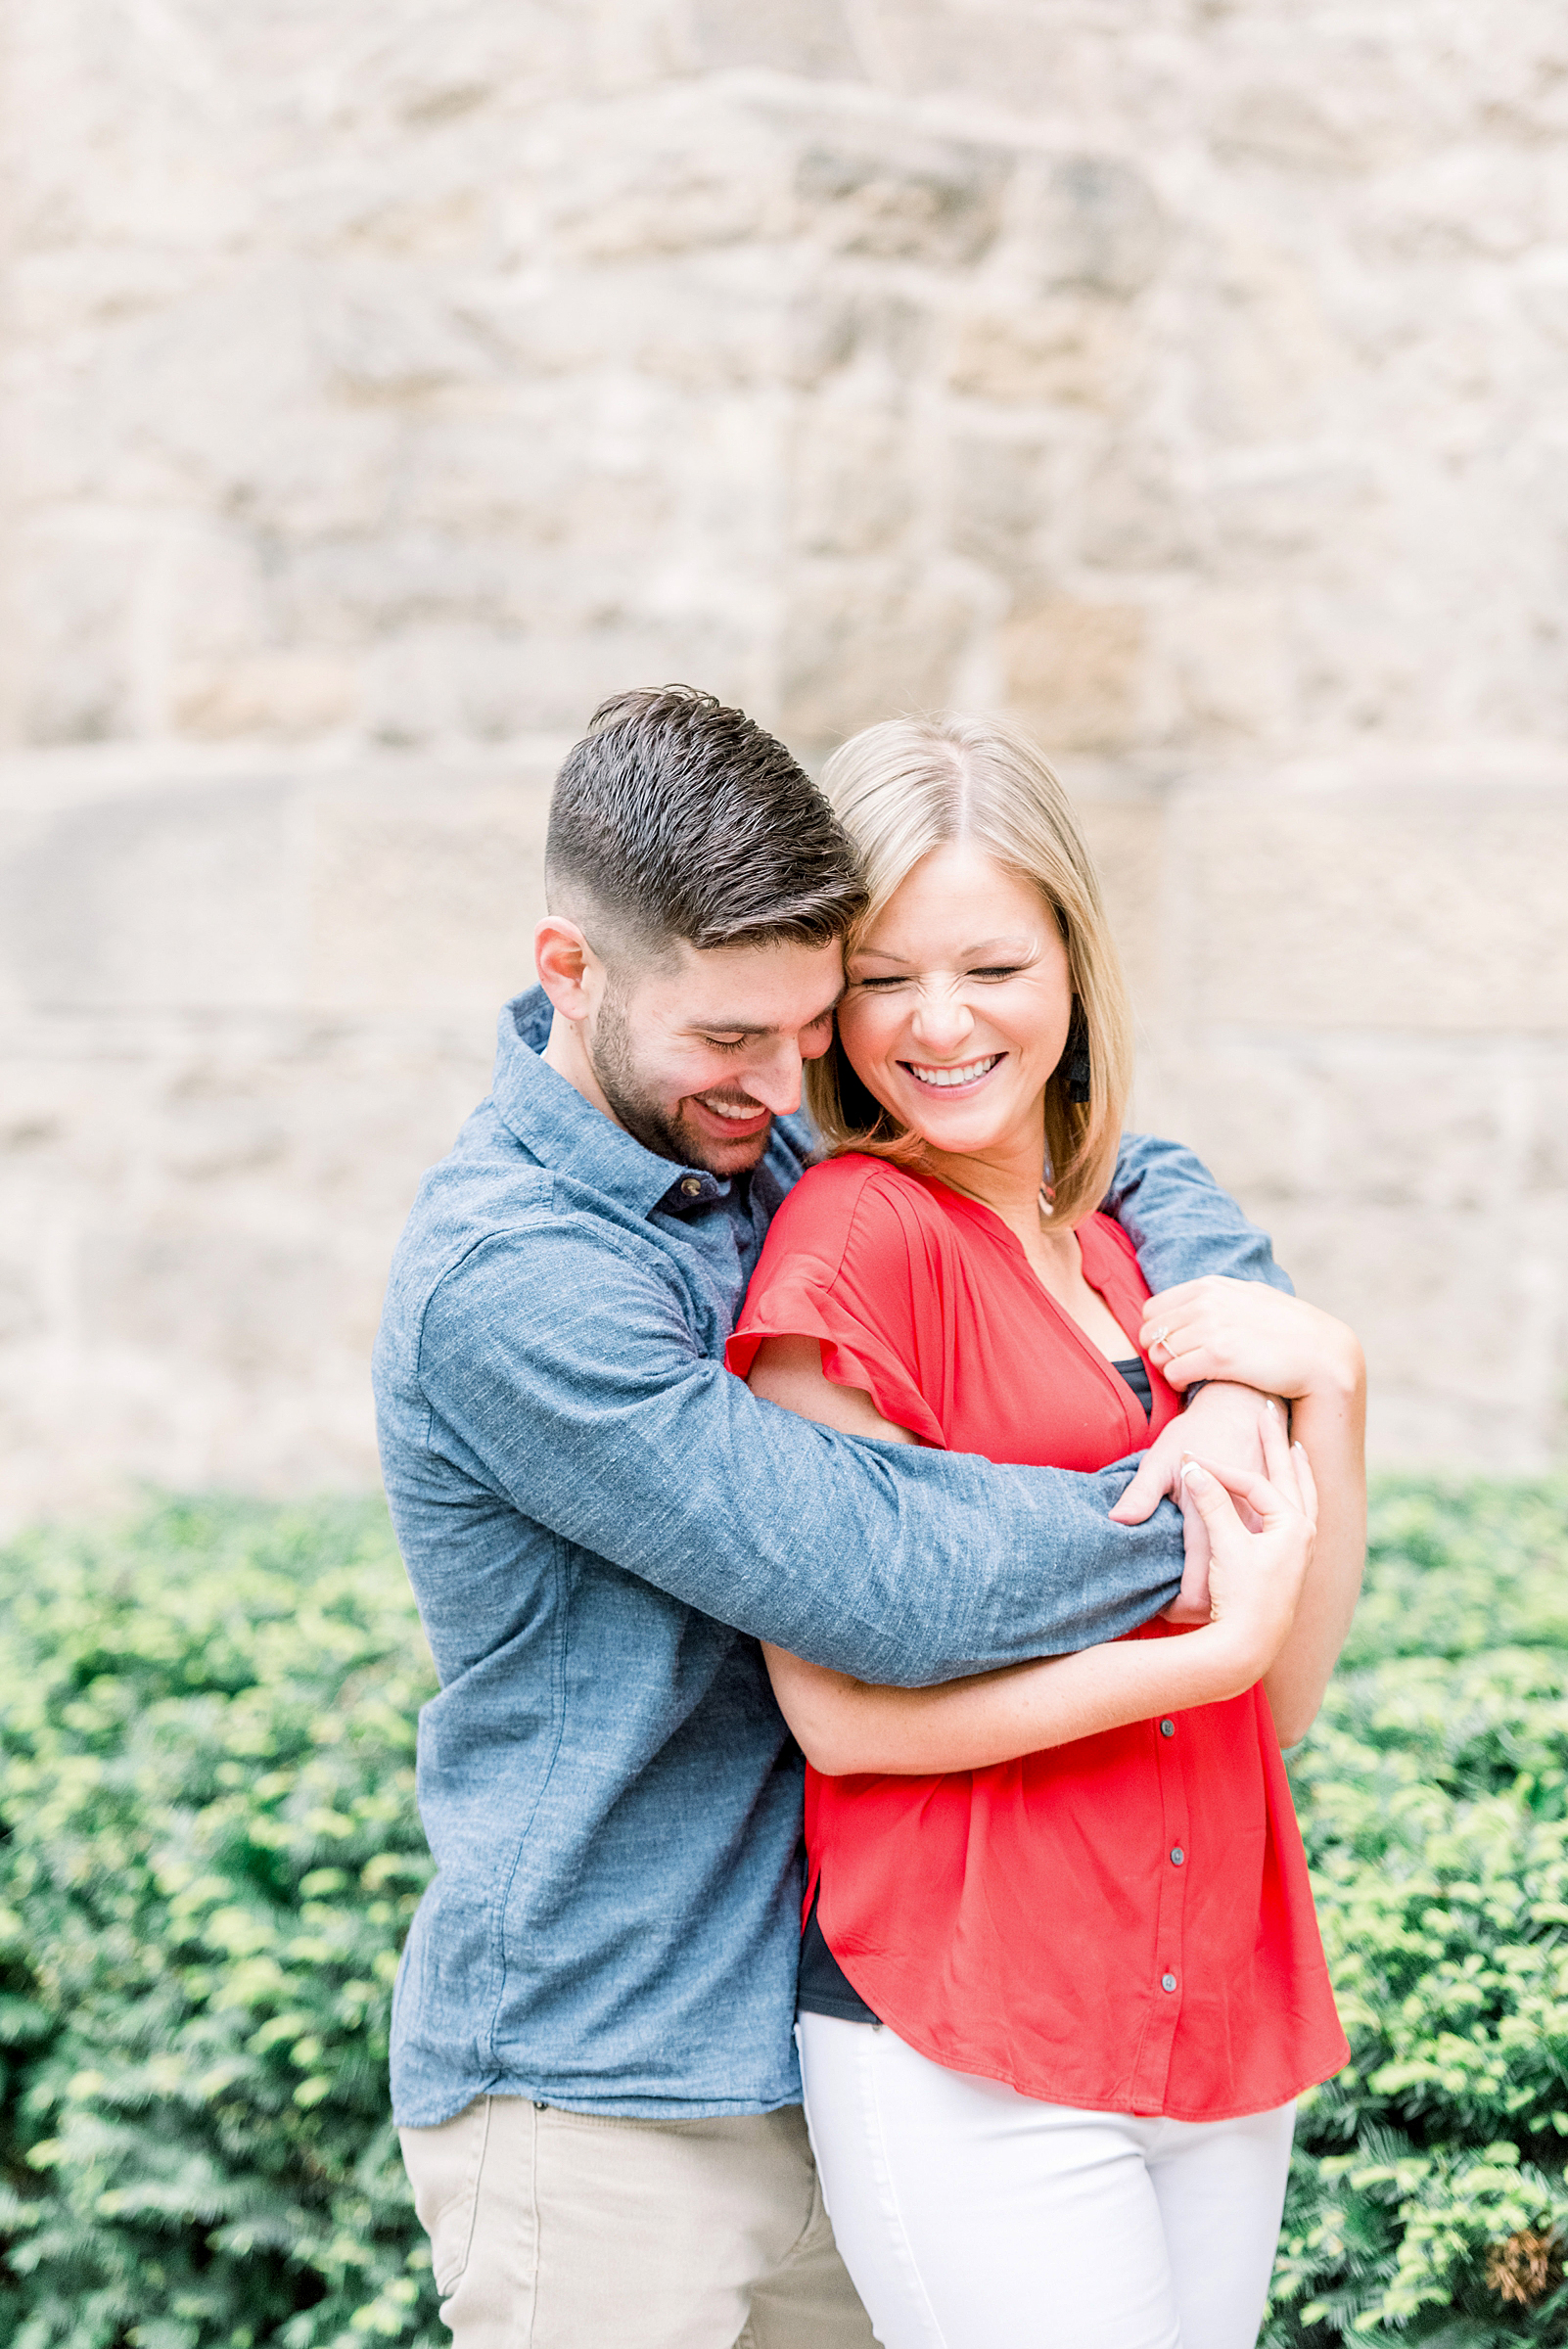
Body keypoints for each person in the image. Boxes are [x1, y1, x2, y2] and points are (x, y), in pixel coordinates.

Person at [374, 686, 1299, 2349]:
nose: (793, 1075)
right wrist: (1217, 1523)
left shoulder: (750, 1115)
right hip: (611, 2087)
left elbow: (1112, 1169)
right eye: (734, 1037)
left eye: (813, 1022)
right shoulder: (514, 1283)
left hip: (854, 2035)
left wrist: (1234, 1373)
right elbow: (875, 1579)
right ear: (568, 973)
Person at [729, 713, 1365, 2349]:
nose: (938, 1023)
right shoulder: (852, 1238)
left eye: (992, 967)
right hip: (969, 2024)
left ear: (1075, 966)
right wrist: (1198, 1650)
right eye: (882, 976)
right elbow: (840, 1716)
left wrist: (1333, 1399)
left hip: (1208, 1994)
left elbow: (1273, 1706)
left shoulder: (1141, 1239)